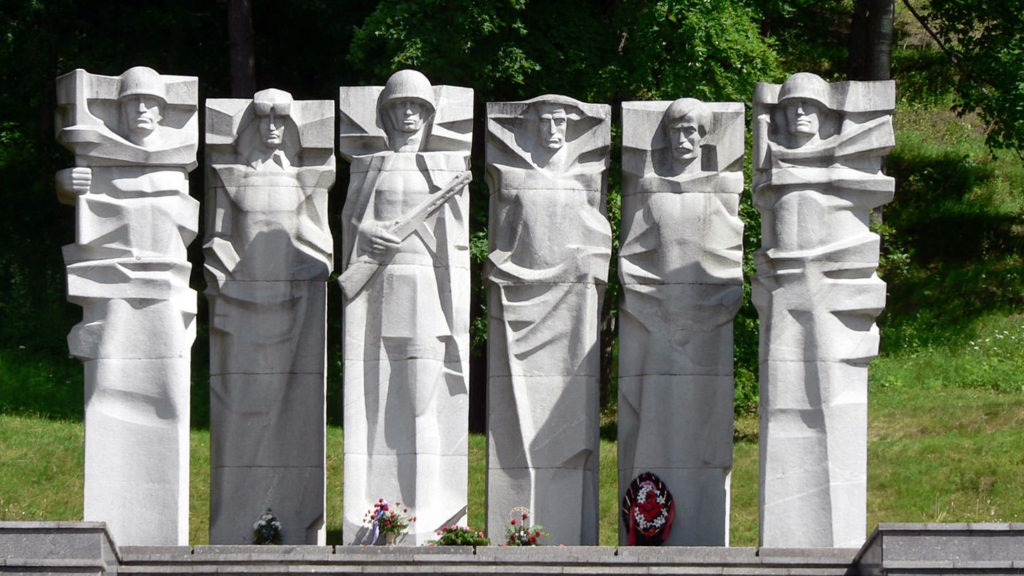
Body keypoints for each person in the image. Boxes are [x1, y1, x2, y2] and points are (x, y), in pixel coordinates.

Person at [340, 69, 470, 545]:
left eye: (417, 107)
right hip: (378, 289)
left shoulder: (443, 171)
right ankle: (380, 511)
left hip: (424, 294)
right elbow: (352, 226)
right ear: (387, 114)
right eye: (400, 107)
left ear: (430, 115)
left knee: (423, 404)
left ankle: (426, 512)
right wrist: (367, 235)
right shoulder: (371, 166)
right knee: (377, 403)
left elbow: (455, 249)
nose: (409, 114)